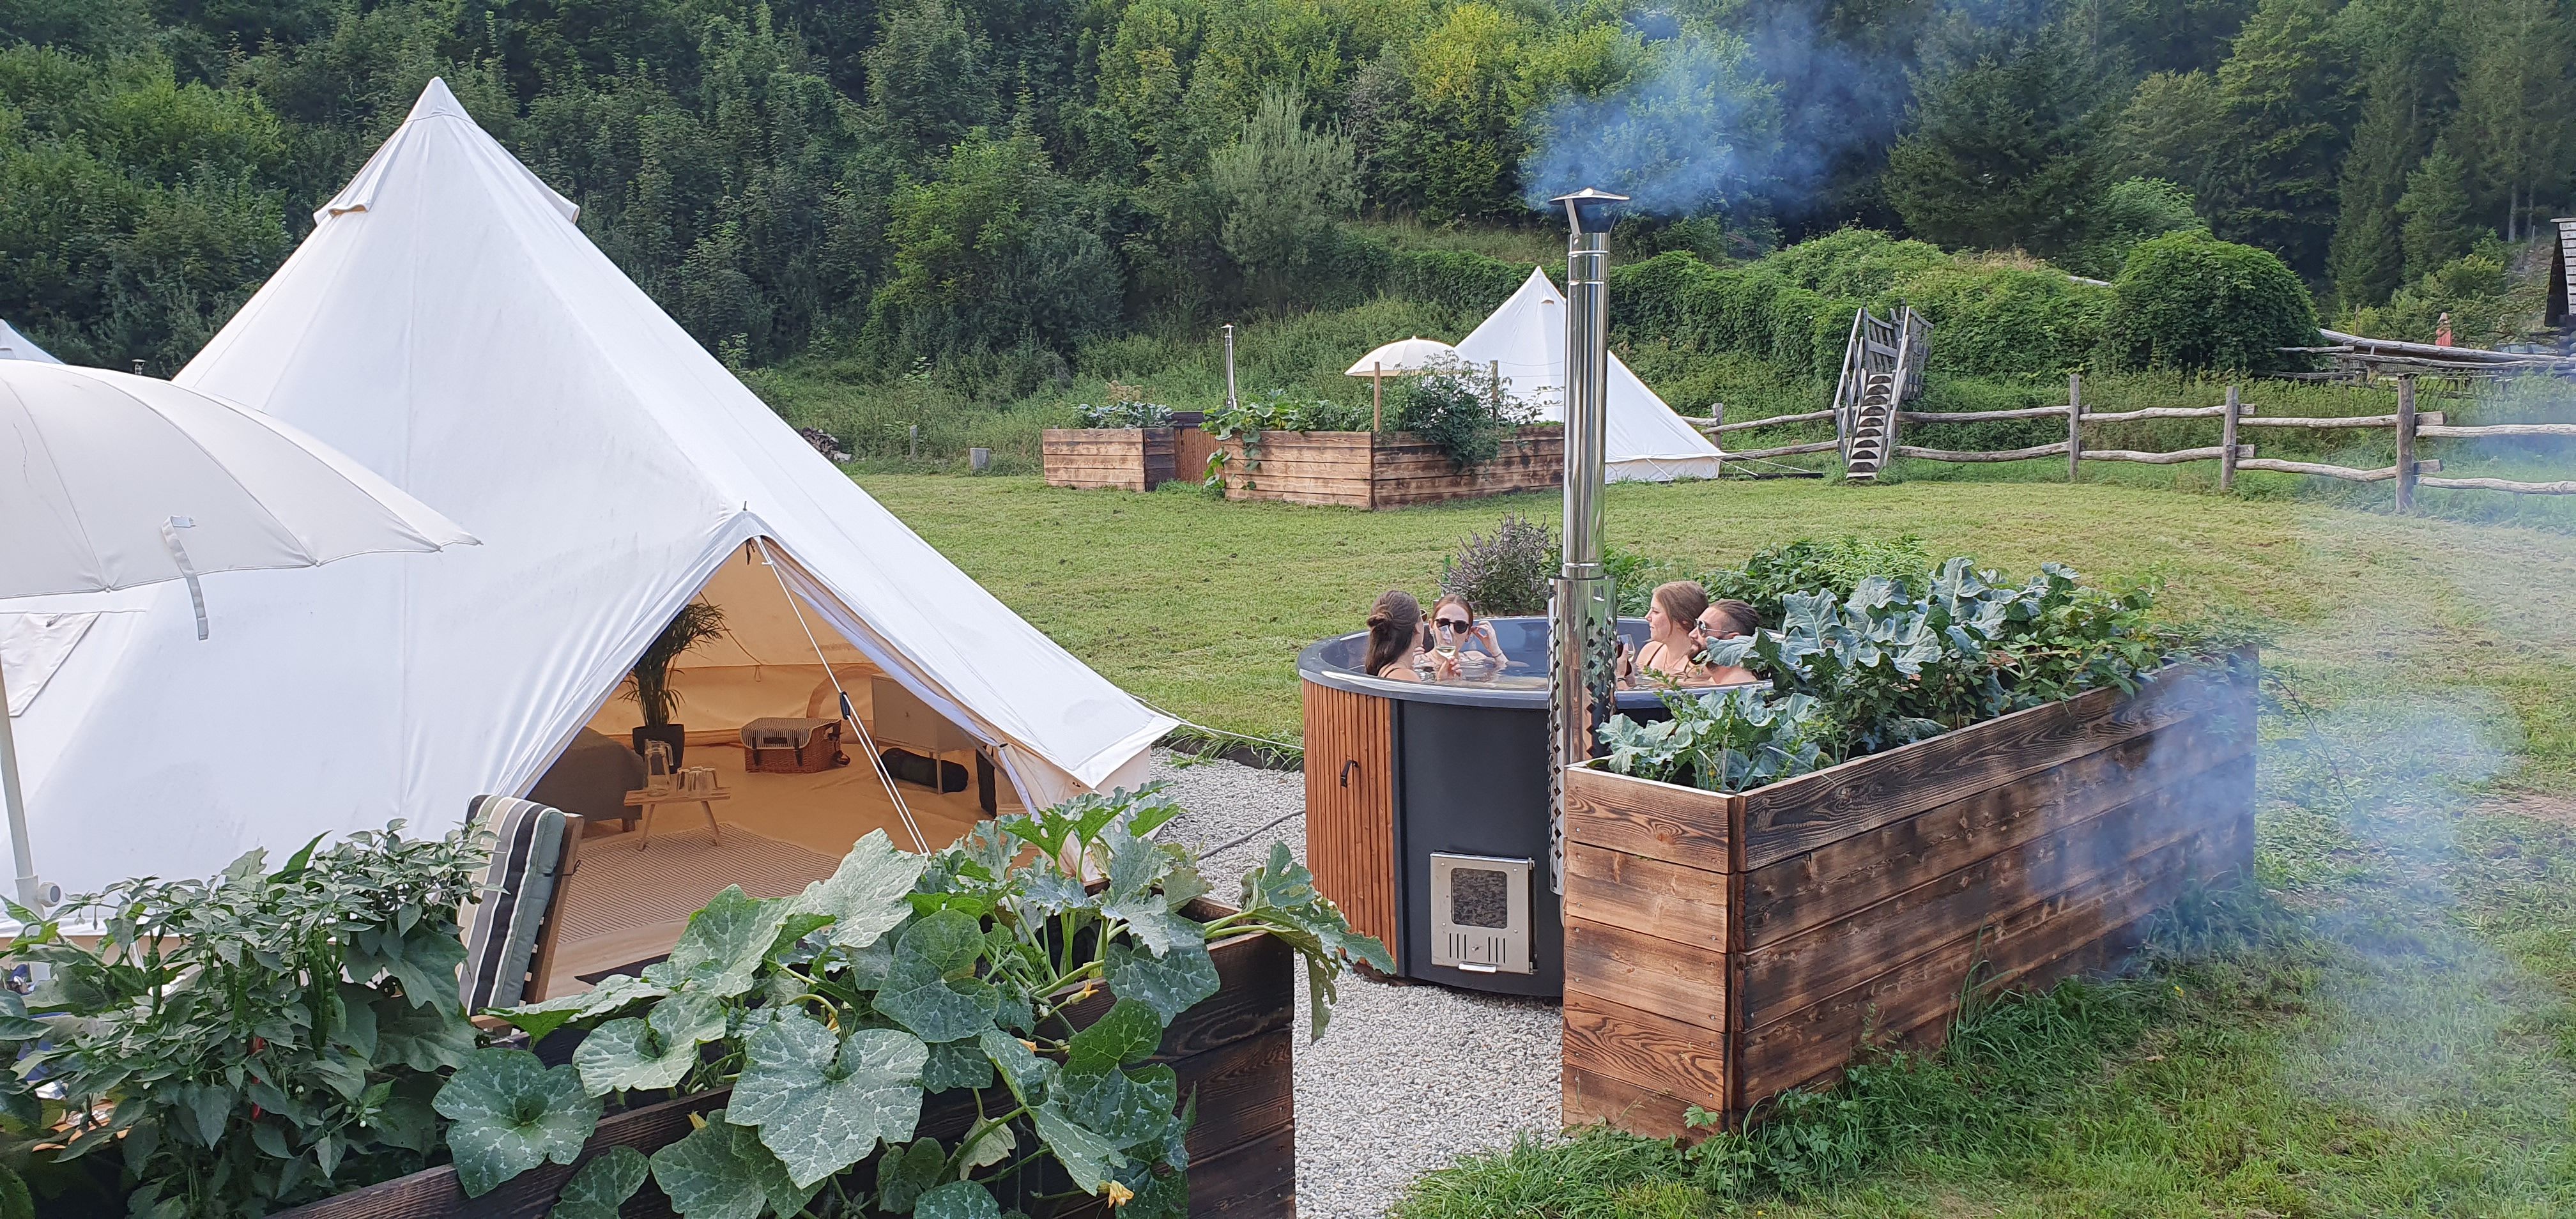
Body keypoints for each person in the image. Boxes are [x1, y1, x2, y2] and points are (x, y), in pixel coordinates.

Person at [1622, 581, 1712, 687]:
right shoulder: (1650, 651)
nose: (1647, 617)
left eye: (1655, 612)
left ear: (1682, 621)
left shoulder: (1699, 667)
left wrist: (1620, 678)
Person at [1363, 590, 1443, 681]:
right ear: (1417, 627)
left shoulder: (1387, 669)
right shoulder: (1405, 677)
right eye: (1422, 618)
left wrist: (1442, 680)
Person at [1428, 594, 1507, 674]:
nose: (1451, 631)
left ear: (1468, 634)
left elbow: (1507, 675)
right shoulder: (1417, 662)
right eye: (1443, 623)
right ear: (1431, 626)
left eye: (1460, 626)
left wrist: (1495, 651)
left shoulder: (1477, 659)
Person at [1691, 599, 1763, 685]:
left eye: (1703, 628)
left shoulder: (1739, 687)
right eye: (1697, 624)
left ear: (1733, 640)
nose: (1692, 634)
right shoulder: (1718, 680)